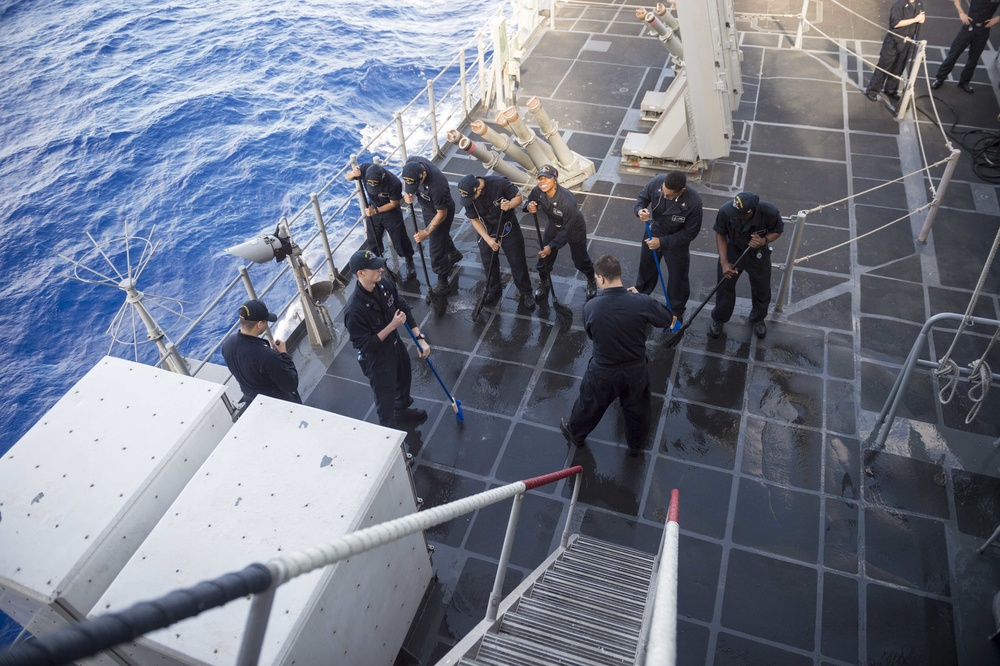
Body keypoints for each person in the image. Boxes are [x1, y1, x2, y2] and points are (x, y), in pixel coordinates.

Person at [559, 255, 675, 457]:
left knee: (590, 403)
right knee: (637, 409)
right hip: (636, 370)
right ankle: (635, 445)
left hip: (603, 370)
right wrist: (640, 297)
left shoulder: (591, 307)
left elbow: (591, 334)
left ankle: (576, 434)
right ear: (619, 275)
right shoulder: (642, 302)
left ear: (601, 278)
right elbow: (667, 320)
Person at [343, 249, 430, 429]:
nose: (381, 269)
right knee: (385, 400)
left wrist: (419, 338)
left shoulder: (384, 284)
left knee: (404, 377)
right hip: (377, 360)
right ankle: (393, 443)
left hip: (395, 346)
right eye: (375, 268)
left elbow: (402, 306)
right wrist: (391, 326)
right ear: (361, 273)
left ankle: (402, 411)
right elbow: (364, 345)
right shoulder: (354, 310)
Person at [708, 192, 784, 340]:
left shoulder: (770, 212)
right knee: (725, 287)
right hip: (733, 252)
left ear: (749, 212)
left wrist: (764, 241)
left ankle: (758, 318)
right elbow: (720, 234)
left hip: (758, 254)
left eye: (737, 213)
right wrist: (724, 262)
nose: (732, 214)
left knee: (761, 288)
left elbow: (777, 230)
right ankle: (719, 318)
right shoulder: (726, 210)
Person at [457, 173, 535, 311]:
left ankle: (526, 292)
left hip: (507, 225)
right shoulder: (469, 197)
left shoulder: (499, 182)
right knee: (488, 262)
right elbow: (474, 220)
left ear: (478, 190)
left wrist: (510, 205)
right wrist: (488, 239)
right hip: (486, 227)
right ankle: (494, 289)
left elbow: (519, 197)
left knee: (517, 261)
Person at [633, 170, 703, 323]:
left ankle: (676, 311)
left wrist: (663, 242)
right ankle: (642, 294)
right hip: (653, 232)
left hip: (676, 243)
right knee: (646, 267)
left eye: (669, 195)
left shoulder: (694, 203)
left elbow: (690, 233)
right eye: (663, 192)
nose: (664, 196)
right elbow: (642, 198)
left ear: (682, 191)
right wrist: (640, 210)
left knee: (678, 278)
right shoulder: (657, 181)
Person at [524, 164, 597, 301]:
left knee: (580, 260)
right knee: (544, 259)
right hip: (553, 223)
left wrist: (551, 247)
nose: (542, 182)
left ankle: (591, 279)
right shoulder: (538, 190)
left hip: (574, 227)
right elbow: (530, 200)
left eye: (547, 178)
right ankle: (544, 282)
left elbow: (566, 230)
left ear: (555, 179)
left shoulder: (567, 201)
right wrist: (529, 206)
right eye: (540, 178)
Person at [401, 156, 463, 293]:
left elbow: (442, 214)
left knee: (435, 247)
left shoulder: (438, 186)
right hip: (427, 208)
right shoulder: (412, 163)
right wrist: (408, 193)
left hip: (441, 211)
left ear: (423, 175)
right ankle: (453, 254)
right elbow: (406, 181)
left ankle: (443, 282)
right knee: (441, 237)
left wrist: (426, 232)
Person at [346, 161, 417, 281]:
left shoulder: (394, 183)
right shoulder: (365, 169)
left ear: (383, 177)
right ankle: (379, 264)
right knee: (373, 241)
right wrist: (353, 174)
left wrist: (377, 211)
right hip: (373, 210)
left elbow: (394, 203)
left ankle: (409, 260)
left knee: (400, 240)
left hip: (390, 213)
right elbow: (347, 177)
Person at [221, 299, 302, 405]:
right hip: (278, 404)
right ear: (259, 324)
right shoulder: (267, 356)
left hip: (252, 401)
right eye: (266, 321)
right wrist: (284, 354)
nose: (267, 324)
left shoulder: (227, 344)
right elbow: (291, 384)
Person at [931, 0, 1000, 93]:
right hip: (969, 26)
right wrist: (961, 13)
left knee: (973, 59)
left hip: (983, 30)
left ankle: (964, 82)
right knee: (954, 54)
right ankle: (940, 78)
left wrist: (997, 18)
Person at [865, 0, 925, 101]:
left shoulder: (919, 4)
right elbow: (895, 23)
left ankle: (891, 89)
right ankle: (873, 90)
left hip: (908, 41)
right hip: (894, 41)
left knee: (899, 67)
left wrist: (921, 20)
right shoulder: (899, 4)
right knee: (884, 66)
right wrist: (915, 19)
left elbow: (920, 19)